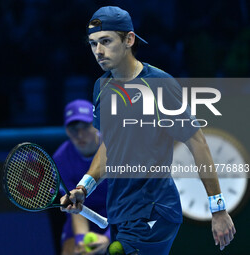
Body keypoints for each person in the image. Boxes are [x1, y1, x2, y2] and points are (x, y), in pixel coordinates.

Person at [60, 6, 236, 255]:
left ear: (129, 39)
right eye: (93, 43)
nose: (98, 51)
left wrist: (218, 208)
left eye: (106, 41)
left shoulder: (159, 84)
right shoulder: (102, 88)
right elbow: (109, 147)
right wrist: (84, 188)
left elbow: (197, 141)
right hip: (120, 213)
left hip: (155, 210)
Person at [53, 99, 110, 255]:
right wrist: (81, 240)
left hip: (119, 214)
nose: (79, 135)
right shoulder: (60, 159)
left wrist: (109, 238)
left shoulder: (117, 149)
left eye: (85, 127)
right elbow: (74, 206)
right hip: (83, 214)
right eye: (73, 129)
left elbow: (129, 202)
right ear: (66, 131)